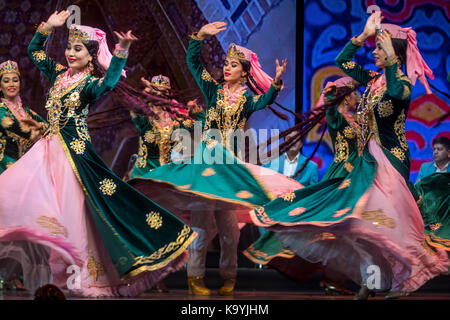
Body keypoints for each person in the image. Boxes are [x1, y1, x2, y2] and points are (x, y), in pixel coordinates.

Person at [244, 12, 449, 300]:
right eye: (375, 46)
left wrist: (389, 53)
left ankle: (409, 275)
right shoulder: (374, 79)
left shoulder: (400, 84)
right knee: (361, 228)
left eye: (379, 47)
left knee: (386, 226)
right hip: (367, 164)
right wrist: (364, 35)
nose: (374, 51)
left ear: (394, 52)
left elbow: (395, 91)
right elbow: (343, 62)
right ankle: (372, 283)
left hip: (389, 161)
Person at [0, 10, 196, 297]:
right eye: (68, 47)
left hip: (74, 158)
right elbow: (35, 52)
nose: (69, 53)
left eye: (77, 49)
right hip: (46, 154)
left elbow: (111, 82)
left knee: (72, 219)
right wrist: (49, 28)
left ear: (91, 55)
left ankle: (73, 279)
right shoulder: (58, 75)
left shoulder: (91, 85)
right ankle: (52, 279)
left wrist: (122, 52)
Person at [128, 21, 301, 296]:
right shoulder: (213, 91)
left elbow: (264, 101)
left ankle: (228, 276)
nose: (226, 67)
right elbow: (194, 64)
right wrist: (199, 37)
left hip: (229, 169)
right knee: (198, 226)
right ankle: (194, 278)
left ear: (244, 73)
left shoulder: (245, 101)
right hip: (206, 164)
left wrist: (277, 82)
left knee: (230, 232)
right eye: (226, 63)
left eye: (233, 65)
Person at [245, 76, 361, 295]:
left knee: (346, 230)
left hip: (357, 176)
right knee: (334, 226)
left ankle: (335, 278)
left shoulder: (356, 120)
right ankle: (329, 276)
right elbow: (328, 100)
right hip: (342, 176)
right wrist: (333, 88)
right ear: (346, 97)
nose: (359, 97)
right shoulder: (337, 117)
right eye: (355, 93)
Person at [0, 60, 46, 174]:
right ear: (0, 87)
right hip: (6, 165)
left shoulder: (26, 111)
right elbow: (9, 124)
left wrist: (39, 127)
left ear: (20, 84)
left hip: (27, 166)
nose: (11, 84)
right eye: (6, 81)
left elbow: (47, 127)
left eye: (15, 80)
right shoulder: (1, 109)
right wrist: (32, 133)